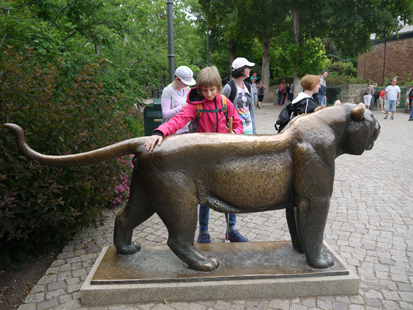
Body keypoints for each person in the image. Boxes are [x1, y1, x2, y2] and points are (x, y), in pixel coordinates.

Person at [144, 66, 248, 244]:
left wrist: (236, 134)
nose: (208, 93)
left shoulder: (224, 102)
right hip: (204, 158)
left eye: (212, 89)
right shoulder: (195, 105)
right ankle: (204, 233)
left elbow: (238, 124)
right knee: (204, 197)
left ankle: (231, 230)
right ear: (199, 89)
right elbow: (177, 120)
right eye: (205, 90)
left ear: (218, 87)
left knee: (230, 193)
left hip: (224, 156)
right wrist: (160, 132)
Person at [222, 57, 257, 134]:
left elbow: (251, 110)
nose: (250, 70)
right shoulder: (229, 87)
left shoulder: (248, 87)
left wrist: (254, 131)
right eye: (248, 67)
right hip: (235, 131)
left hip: (249, 128)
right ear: (241, 70)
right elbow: (220, 106)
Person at [160, 66, 196, 134]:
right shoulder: (167, 91)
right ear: (177, 79)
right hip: (174, 132)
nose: (187, 84)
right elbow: (166, 115)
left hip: (188, 130)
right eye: (185, 82)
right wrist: (181, 107)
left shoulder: (187, 89)